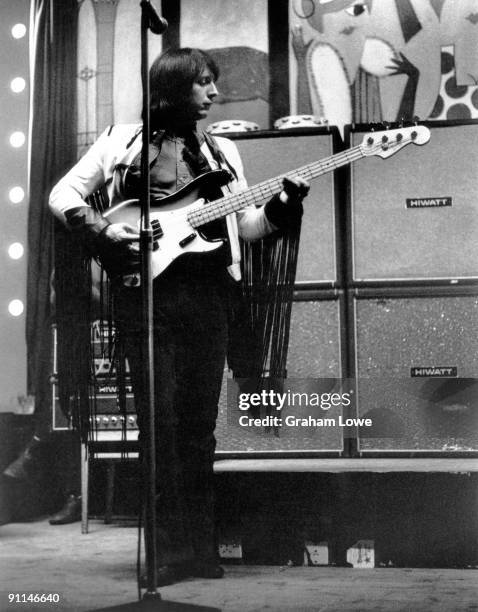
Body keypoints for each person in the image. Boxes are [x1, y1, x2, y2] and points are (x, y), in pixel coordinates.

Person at [49, 47, 309, 586]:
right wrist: (102, 230)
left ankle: (198, 549)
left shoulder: (224, 152)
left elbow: (247, 226)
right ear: (171, 88)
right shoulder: (120, 140)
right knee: (159, 427)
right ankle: (164, 553)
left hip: (210, 299)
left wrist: (282, 205)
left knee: (199, 431)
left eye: (214, 84)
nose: (214, 94)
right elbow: (64, 193)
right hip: (150, 300)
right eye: (204, 83)